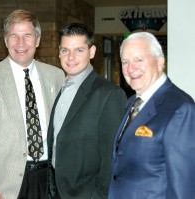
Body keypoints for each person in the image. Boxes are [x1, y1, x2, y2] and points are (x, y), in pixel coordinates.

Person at [0, 9, 64, 199]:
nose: (21, 43)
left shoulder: (56, 76)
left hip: (50, 180)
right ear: (6, 41)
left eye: (27, 36)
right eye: (14, 36)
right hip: (6, 186)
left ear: (37, 40)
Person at [108, 32, 195, 199]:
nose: (131, 68)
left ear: (160, 62)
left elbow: (184, 188)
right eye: (125, 62)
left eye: (139, 60)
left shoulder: (181, 108)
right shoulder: (132, 102)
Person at [47, 23, 127, 199]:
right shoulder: (60, 89)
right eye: (65, 50)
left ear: (92, 52)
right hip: (58, 192)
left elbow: (112, 158)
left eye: (79, 50)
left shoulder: (109, 95)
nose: (71, 57)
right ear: (59, 52)